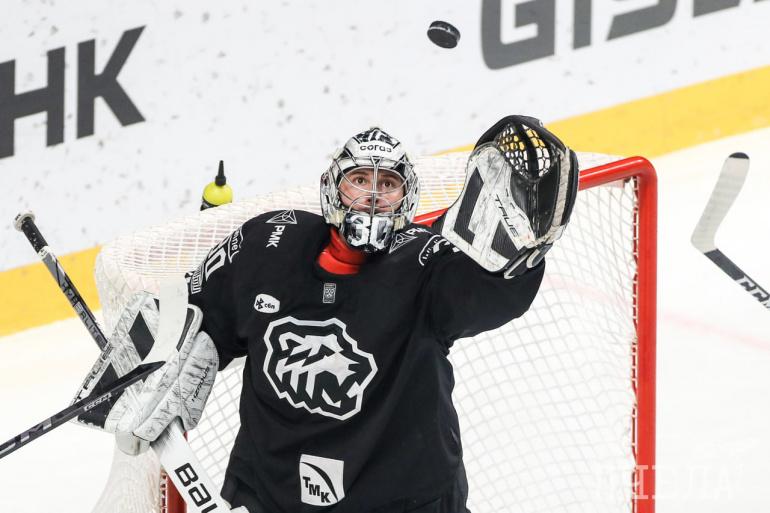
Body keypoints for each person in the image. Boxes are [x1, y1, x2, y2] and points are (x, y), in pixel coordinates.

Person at [109, 116, 579, 513]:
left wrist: (522, 258)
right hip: (270, 497)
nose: (372, 196)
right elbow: (192, 312)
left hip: (405, 501)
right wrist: (148, 360)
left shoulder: (428, 266)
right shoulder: (267, 244)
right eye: (359, 180)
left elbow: (491, 295)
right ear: (332, 187)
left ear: (408, 198)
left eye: (388, 184)